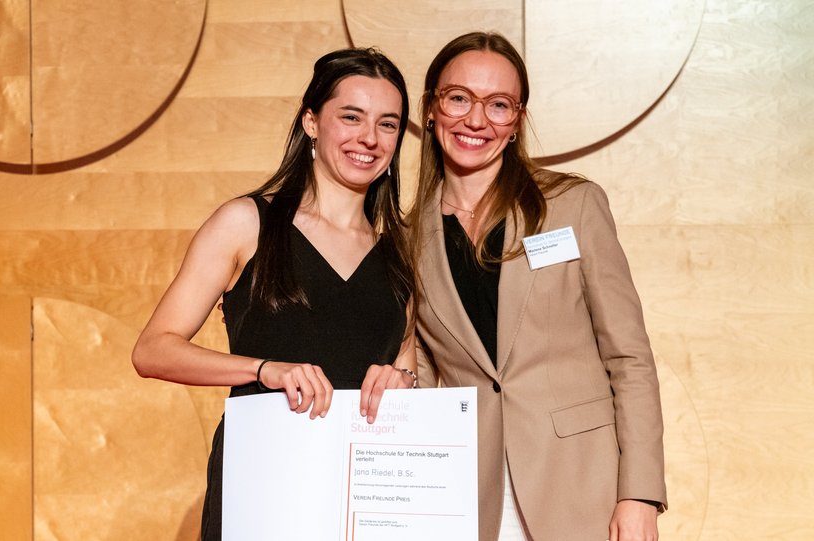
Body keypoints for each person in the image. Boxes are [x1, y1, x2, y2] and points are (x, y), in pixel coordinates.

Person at [131, 48, 417, 541]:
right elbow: (153, 349)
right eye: (351, 117)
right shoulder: (246, 223)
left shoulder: (399, 254)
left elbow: (407, 367)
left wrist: (404, 382)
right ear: (311, 121)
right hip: (264, 479)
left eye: (387, 124)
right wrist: (265, 369)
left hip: (366, 494)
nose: (369, 138)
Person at [409, 32, 667, 541]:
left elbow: (629, 358)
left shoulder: (574, 205)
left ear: (517, 120)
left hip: (582, 487)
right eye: (459, 97)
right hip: (465, 496)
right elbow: (414, 372)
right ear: (432, 108)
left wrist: (638, 494)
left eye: (498, 105)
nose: (476, 120)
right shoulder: (406, 238)